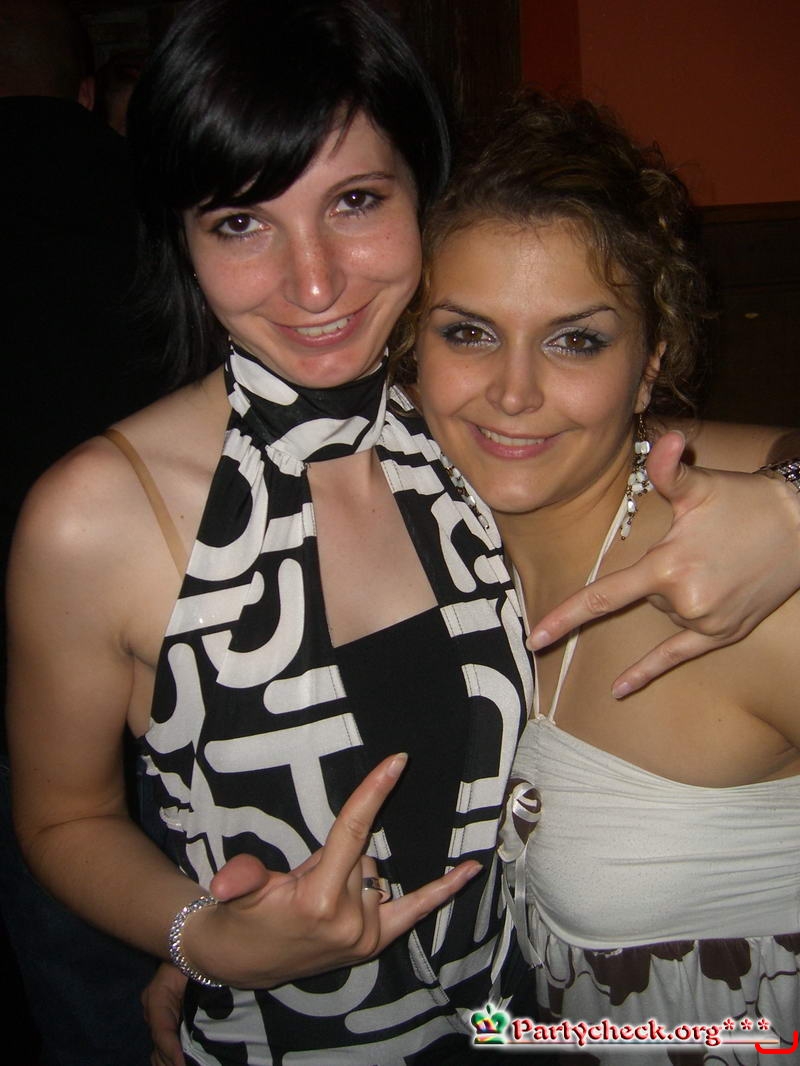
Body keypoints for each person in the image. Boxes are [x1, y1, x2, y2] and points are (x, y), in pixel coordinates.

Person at [7, 2, 800, 1063]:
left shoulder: (467, 427)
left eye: (355, 201)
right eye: (240, 222)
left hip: (522, 1026)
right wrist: (200, 936)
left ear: (421, 199)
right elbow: (62, 820)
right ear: (182, 239)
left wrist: (792, 505)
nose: (315, 282)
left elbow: (679, 441)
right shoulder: (95, 518)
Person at [411, 91, 800, 1061]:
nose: (513, 391)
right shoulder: (419, 533)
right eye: (467, 332)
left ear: (648, 366)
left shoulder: (751, 595)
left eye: (574, 339)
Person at [0, 2, 162, 1063]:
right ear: (90, 90)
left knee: (62, 903)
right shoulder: (151, 200)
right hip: (166, 622)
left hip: (31, 643)